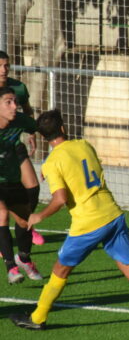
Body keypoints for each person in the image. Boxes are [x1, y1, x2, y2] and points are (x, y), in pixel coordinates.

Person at [9, 109, 129, 333]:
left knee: (60, 270)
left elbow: (60, 199)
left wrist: (39, 215)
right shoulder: (85, 145)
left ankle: (38, 317)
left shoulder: (52, 163)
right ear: (63, 128)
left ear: (42, 137)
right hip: (112, 214)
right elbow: (80, 166)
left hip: (88, 223)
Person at [0, 51, 45, 246]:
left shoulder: (18, 88)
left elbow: (27, 112)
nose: (4, 70)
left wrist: (31, 134)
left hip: (13, 144)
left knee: (33, 186)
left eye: (7, 66)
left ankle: (26, 222)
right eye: (0, 66)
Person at [0, 86, 41, 284]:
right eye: (8, 102)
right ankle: (11, 267)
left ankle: (23, 258)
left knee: (25, 222)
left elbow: (42, 127)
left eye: (15, 101)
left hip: (11, 178)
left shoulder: (20, 121)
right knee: (2, 214)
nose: (14, 106)